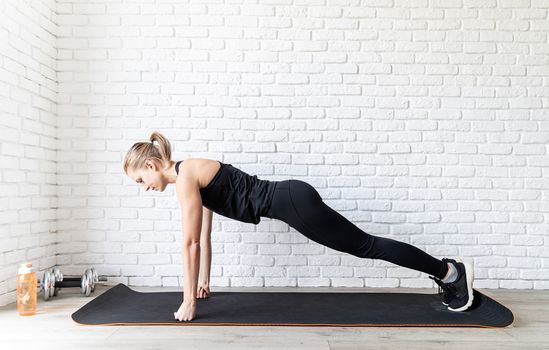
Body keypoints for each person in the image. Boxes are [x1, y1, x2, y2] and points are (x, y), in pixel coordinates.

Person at [123, 131, 474, 322]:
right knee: (365, 245)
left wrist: (188, 303)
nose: (144, 189)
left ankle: (450, 273)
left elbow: (190, 245)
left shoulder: (185, 178)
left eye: (141, 180)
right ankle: (447, 272)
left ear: (153, 164)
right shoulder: (189, 172)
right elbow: (203, 233)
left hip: (291, 203)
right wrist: (202, 282)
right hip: (292, 196)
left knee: (366, 246)